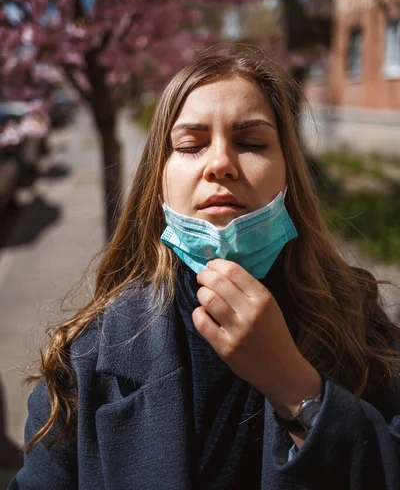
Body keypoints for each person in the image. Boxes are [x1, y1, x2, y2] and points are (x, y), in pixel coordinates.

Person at [8, 47, 400, 490]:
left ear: (290, 174)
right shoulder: (85, 363)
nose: (220, 165)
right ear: (159, 178)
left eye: (252, 143)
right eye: (191, 145)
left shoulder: (363, 329)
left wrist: (295, 386)